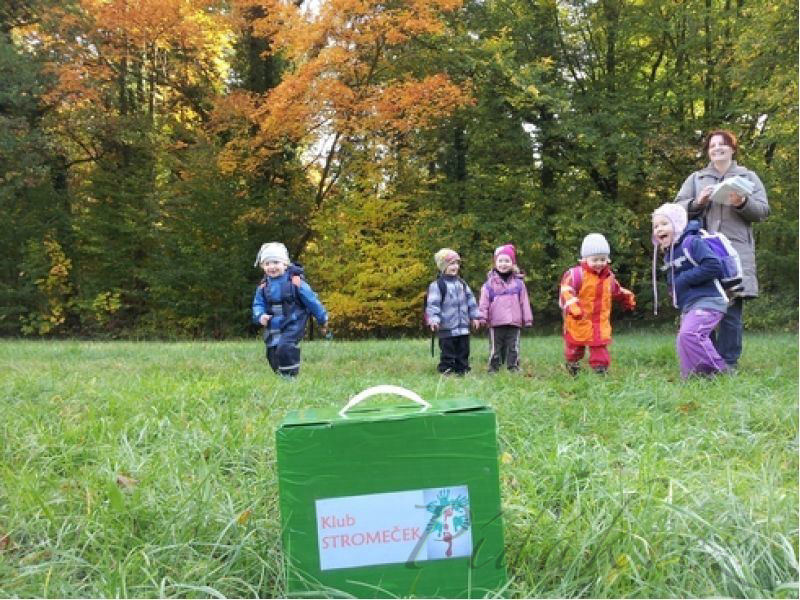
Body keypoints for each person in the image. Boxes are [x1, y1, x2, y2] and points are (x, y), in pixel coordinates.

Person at [674, 129, 770, 370]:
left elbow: (762, 211)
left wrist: (742, 202)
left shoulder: (748, 176)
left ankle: (729, 363)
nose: (717, 148)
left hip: (734, 253)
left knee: (731, 310)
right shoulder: (696, 178)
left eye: (722, 145)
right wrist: (697, 203)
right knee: (703, 306)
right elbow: (675, 210)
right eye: (712, 145)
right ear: (708, 151)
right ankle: (706, 362)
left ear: (732, 148)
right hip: (702, 253)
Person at [652, 203, 729, 379]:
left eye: (664, 224)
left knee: (690, 334)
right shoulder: (668, 253)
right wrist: (674, 289)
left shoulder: (692, 242)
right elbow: (674, 276)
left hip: (709, 299)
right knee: (683, 341)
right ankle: (691, 377)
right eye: (656, 226)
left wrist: (684, 279)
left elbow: (713, 265)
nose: (658, 229)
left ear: (678, 224)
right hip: (689, 304)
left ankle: (720, 372)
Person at [558, 233, 636, 375]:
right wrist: (573, 307)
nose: (599, 263)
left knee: (600, 347)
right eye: (595, 260)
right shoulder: (576, 275)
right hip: (579, 319)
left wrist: (627, 298)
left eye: (603, 259)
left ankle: (600, 369)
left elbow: (616, 290)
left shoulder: (609, 277)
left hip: (599, 322)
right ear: (585, 259)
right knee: (575, 346)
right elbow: (566, 291)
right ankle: (573, 364)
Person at [252, 242, 328, 378]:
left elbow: (312, 302)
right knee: (272, 352)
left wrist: (322, 319)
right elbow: (258, 304)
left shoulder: (296, 283)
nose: (272, 267)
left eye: (276, 262)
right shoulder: (263, 287)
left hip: (293, 323)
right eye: (267, 264)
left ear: (285, 264)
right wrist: (260, 315)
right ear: (262, 266)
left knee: (285, 347)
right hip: (273, 325)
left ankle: (290, 377)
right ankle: (281, 376)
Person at [424, 248, 481, 375]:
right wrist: (433, 320)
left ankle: (463, 371)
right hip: (447, 328)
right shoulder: (438, 285)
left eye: (457, 263)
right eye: (451, 264)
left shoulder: (462, 284)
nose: (455, 267)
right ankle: (447, 371)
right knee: (448, 353)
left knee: (463, 351)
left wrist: (475, 317)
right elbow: (433, 305)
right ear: (443, 266)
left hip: (463, 328)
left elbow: (471, 301)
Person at [478, 244, 533, 373]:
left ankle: (513, 367)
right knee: (495, 348)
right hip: (496, 322)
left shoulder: (519, 283)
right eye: (500, 261)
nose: (503, 264)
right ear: (495, 263)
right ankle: (493, 368)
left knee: (513, 347)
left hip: (514, 322)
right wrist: (482, 317)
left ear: (512, 263)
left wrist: (528, 319)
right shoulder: (489, 284)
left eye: (507, 261)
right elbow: (483, 303)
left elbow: (524, 302)